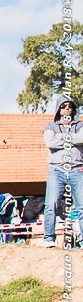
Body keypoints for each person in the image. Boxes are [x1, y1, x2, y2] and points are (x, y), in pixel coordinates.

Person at [43, 94, 83, 248]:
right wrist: (72, 139)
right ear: (59, 109)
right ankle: (48, 238)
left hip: (77, 169)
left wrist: (61, 138)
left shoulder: (80, 125)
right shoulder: (50, 126)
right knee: (50, 204)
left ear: (73, 109)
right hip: (56, 169)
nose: (67, 109)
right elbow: (49, 141)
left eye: (70, 106)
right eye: (64, 106)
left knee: (81, 206)